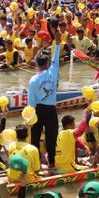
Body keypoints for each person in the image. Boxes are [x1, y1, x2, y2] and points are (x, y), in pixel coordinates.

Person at [28, 26, 63, 168]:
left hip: (37, 110)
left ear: (37, 65)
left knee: (35, 138)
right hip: (50, 110)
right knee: (51, 137)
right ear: (47, 64)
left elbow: (30, 102)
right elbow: (56, 58)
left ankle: (35, 164)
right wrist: (58, 42)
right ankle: (51, 164)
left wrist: (30, 118)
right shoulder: (52, 72)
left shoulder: (32, 80)